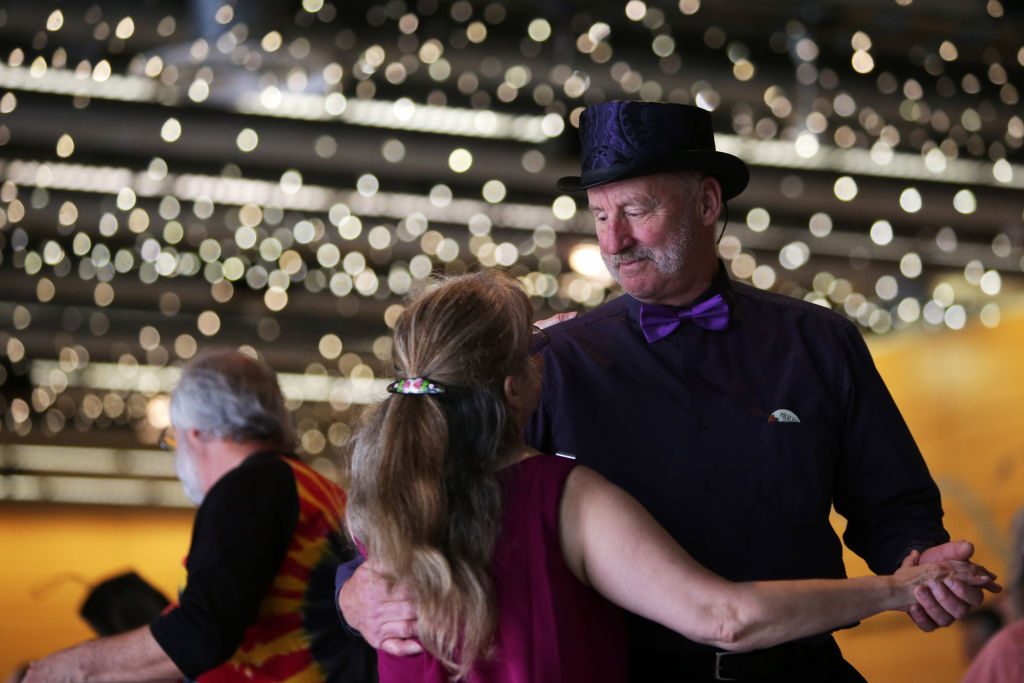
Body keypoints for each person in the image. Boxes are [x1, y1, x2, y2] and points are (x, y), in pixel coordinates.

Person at [338, 101, 995, 681]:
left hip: (799, 667)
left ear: (708, 203)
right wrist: (353, 587)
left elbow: (891, 504)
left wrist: (919, 560)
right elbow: (432, 475)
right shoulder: (552, 362)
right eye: (600, 216)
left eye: (636, 210)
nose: (613, 240)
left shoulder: (820, 344)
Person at [25, 350, 375, 682]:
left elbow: (201, 631)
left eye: (172, 439)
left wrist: (73, 668)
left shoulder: (248, 487)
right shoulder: (316, 489)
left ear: (193, 433)